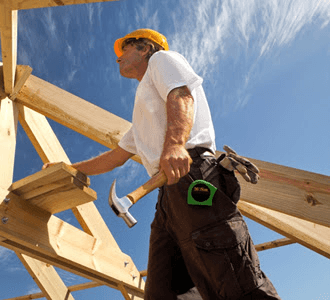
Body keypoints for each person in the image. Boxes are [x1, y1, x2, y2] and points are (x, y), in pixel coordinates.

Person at [44, 28, 281, 300]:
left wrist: (176, 143)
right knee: (164, 293)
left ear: (144, 48)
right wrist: (69, 168)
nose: (118, 58)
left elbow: (181, 95)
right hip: (168, 197)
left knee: (234, 280)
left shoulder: (162, 60)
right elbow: (114, 158)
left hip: (192, 176)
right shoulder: (144, 109)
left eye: (124, 50)